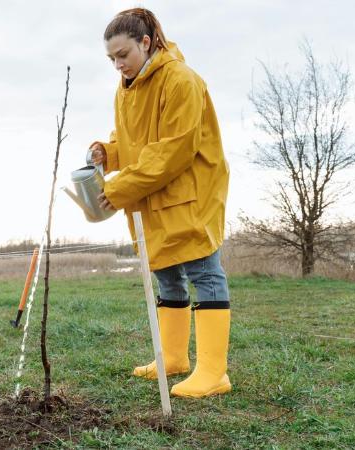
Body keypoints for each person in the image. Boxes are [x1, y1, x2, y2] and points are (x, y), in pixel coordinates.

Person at [90, 8, 231, 398]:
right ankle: (173, 358)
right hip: (152, 195)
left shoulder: (181, 81)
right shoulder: (127, 88)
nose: (117, 65)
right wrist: (108, 152)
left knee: (204, 271)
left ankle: (214, 372)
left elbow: (172, 151)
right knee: (166, 272)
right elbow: (133, 141)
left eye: (123, 55)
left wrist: (118, 190)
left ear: (146, 43)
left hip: (190, 192)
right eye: (111, 59)